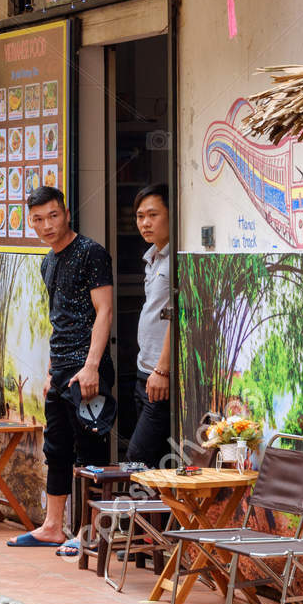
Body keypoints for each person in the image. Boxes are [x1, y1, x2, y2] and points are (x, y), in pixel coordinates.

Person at [9, 186, 114, 549]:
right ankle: (54, 526)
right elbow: (59, 320)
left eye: (53, 216)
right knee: (56, 449)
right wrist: (53, 372)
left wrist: (92, 367)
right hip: (61, 371)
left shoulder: (91, 253)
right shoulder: (47, 261)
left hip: (88, 370)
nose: (47, 225)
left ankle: (92, 534)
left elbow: (105, 311)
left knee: (91, 452)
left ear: (66, 213)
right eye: (38, 219)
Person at [126, 185, 174, 468]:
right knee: (154, 463)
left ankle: (135, 514)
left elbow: (175, 315)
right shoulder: (152, 258)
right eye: (140, 216)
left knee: (138, 457)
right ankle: (159, 513)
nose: (145, 222)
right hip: (144, 372)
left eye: (153, 214)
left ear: (171, 214)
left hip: (160, 375)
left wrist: (163, 369)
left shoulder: (176, 260)